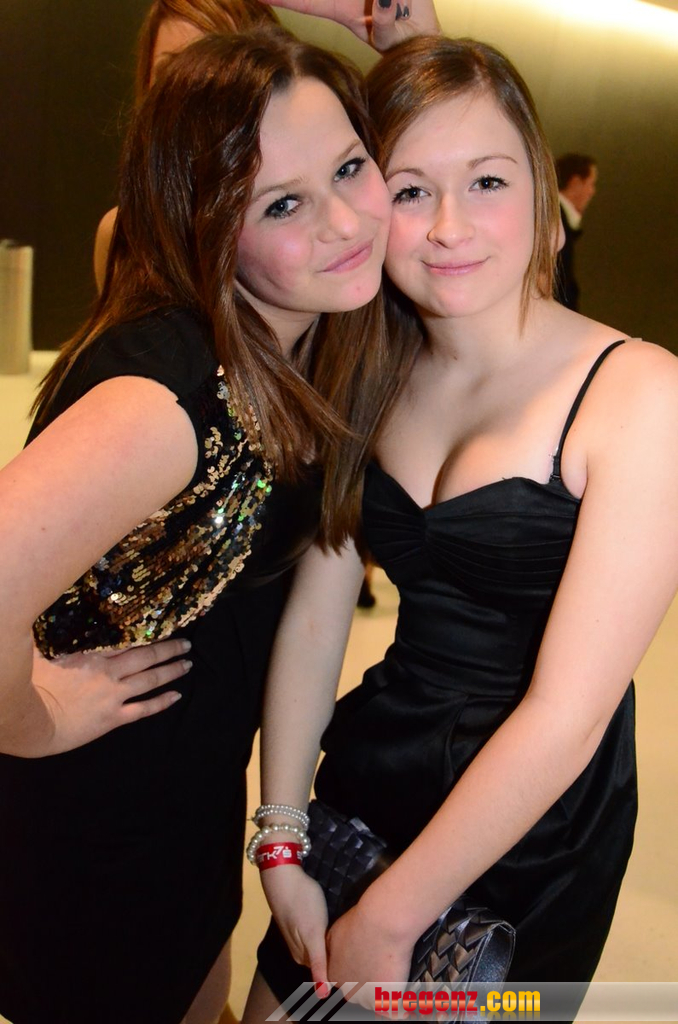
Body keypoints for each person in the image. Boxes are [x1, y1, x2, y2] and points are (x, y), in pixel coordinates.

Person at [242, 33, 678, 1023]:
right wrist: (280, 835)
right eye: (410, 190)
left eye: (486, 181)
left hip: (532, 822)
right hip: (378, 766)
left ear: (541, 190)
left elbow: (569, 712)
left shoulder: (638, 394)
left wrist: (395, 914)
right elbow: (316, 616)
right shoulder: (369, 369)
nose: (448, 227)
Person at [0, 25, 398, 1024]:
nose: (344, 220)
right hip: (93, 830)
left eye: (351, 167)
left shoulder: (306, 341)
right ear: (207, 225)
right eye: (282, 204)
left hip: (185, 802)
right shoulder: (170, 397)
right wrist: (31, 718)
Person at [93, 0, 279, 293]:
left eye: (216, 67)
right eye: (170, 71)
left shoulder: (314, 219)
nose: (191, 88)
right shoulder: (125, 238)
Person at [554, 152, 598, 311]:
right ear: (576, 183)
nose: (592, 192)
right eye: (591, 184)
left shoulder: (555, 216)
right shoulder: (557, 220)